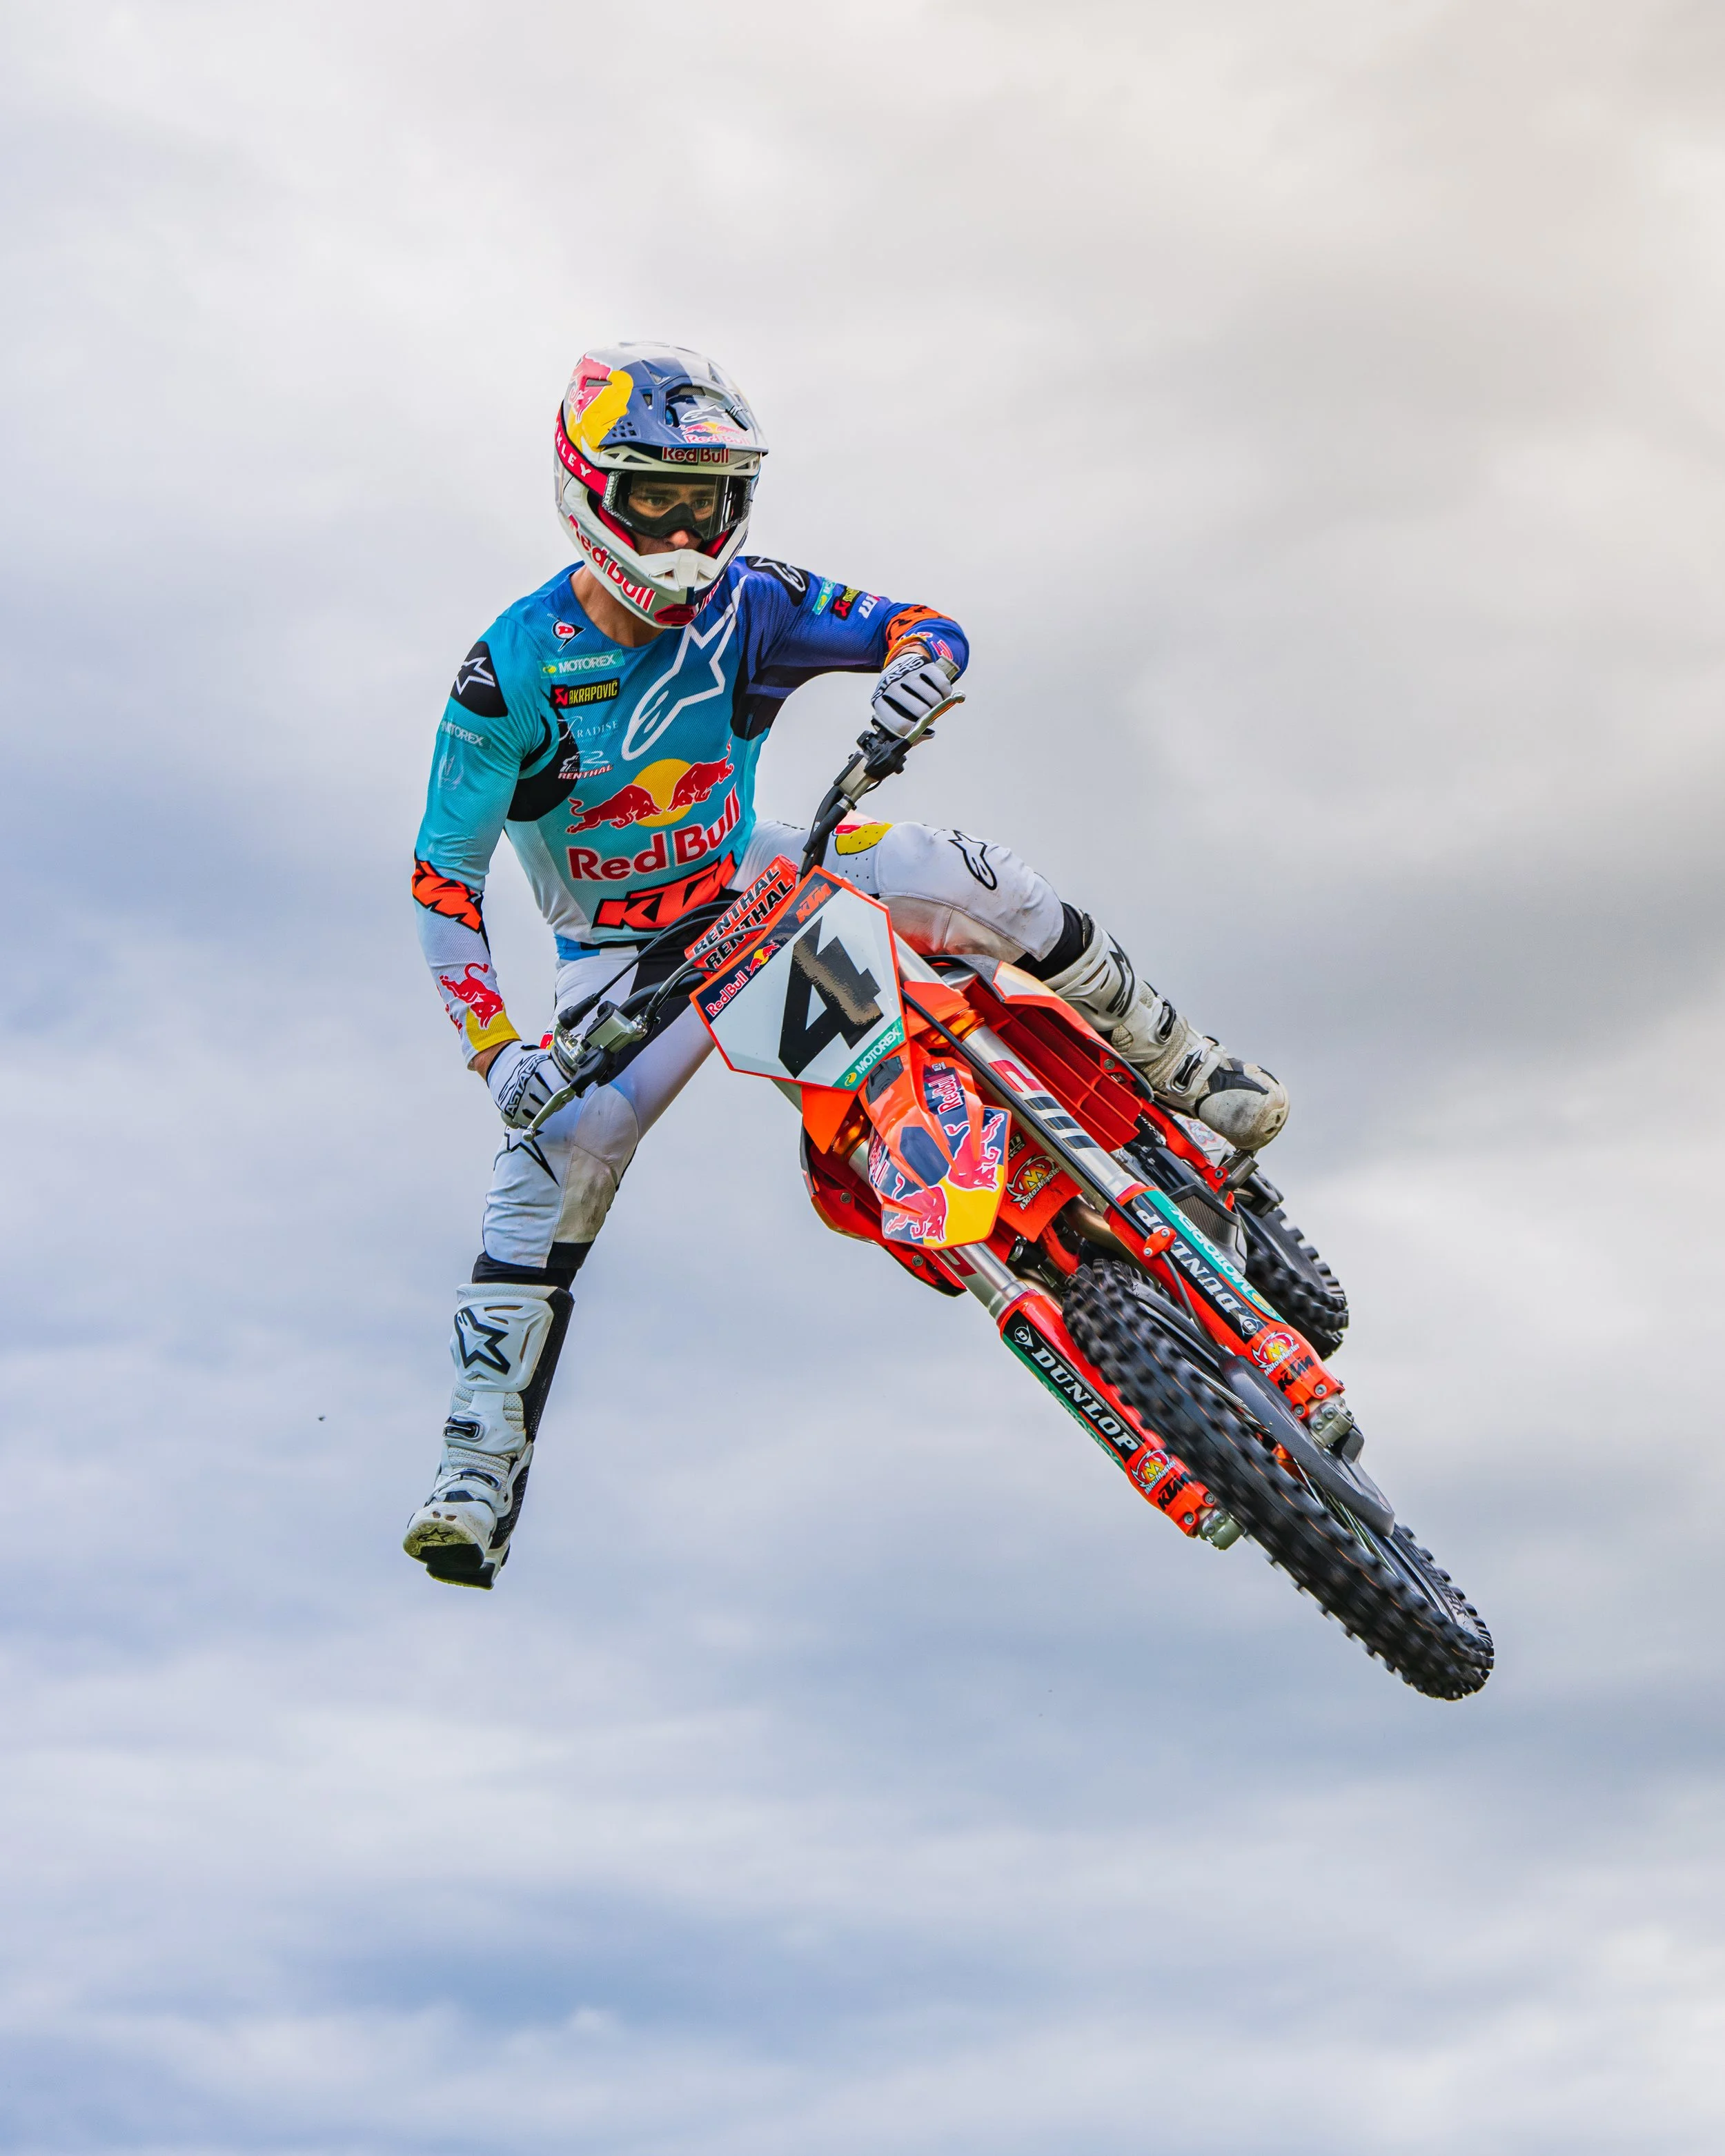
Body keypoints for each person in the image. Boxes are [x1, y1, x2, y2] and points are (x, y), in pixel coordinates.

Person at [404, 342, 1288, 1589]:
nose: (687, 524)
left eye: (711, 496)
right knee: (546, 1168)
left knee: (956, 866)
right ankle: (476, 1465)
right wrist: (498, 1055)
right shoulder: (510, 674)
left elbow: (921, 624)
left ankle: (1185, 1064)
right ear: (588, 490)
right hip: (621, 967)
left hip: (756, 872)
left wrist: (921, 671)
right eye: (658, 493)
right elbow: (443, 879)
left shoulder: (751, 602)